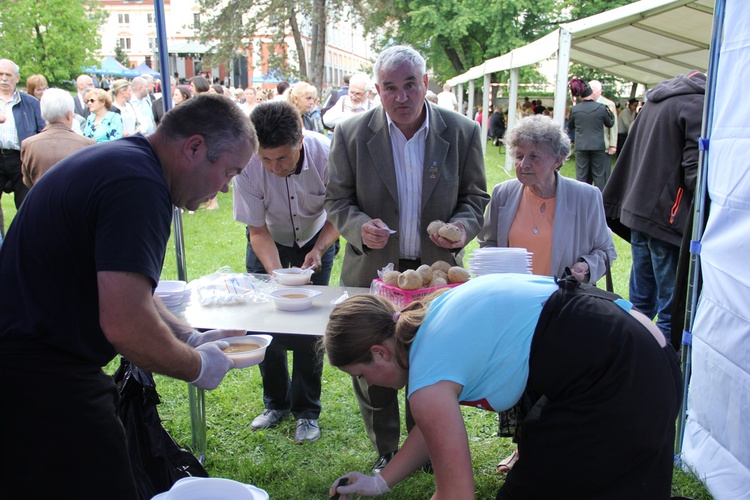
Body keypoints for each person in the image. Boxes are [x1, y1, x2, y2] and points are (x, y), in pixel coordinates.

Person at [0, 94, 257, 498]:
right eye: (229, 172)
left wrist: (188, 337)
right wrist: (197, 366)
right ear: (194, 147)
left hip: (34, 363)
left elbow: (130, 290)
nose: (225, 189)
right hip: (39, 375)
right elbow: (125, 324)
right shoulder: (139, 185)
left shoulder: (127, 162)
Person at [324, 273, 682, 499]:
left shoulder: (428, 378)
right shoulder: (429, 322)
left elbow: (456, 494)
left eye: (359, 374)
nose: (366, 383)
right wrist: (380, 482)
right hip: (647, 352)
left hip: (619, 372)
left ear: (379, 353)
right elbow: (433, 432)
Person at [325, 44, 490, 473]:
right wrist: (359, 227)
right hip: (373, 271)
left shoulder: (461, 132)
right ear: (377, 90)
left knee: (430, 358)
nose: (401, 97)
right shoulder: (351, 133)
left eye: (410, 85)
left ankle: (429, 444)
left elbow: (475, 197)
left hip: (437, 276)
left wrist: (461, 228)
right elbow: (337, 200)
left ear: (426, 83)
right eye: (391, 88)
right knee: (372, 359)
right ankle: (386, 448)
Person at [478, 113, 617, 474]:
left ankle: (553, 450)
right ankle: (523, 448)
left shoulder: (586, 197)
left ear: (558, 159)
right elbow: (490, 242)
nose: (523, 164)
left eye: (534, 156)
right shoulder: (504, 193)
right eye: (518, 154)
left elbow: (606, 250)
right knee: (521, 377)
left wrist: (586, 267)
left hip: (563, 305)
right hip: (516, 303)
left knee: (558, 378)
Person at [233, 100, 339, 444]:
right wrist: (279, 277)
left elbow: (339, 213)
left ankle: (307, 411)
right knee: (266, 324)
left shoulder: (328, 156)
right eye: (267, 159)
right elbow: (257, 231)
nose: (274, 167)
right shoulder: (247, 164)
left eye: (283, 158)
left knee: (310, 329)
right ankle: (275, 403)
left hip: (316, 238)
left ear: (301, 142)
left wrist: (318, 250)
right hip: (268, 243)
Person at [603, 70, 705, 340]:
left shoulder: (657, 99)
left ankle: (633, 357)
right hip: (665, 216)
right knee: (672, 310)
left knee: (640, 304)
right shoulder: (697, 104)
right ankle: (664, 368)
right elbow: (696, 170)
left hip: (640, 209)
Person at [0, 58, 45, 237]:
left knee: (27, 205)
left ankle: (24, 245)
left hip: (21, 159)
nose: (4, 79)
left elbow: (42, 130)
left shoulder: (31, 103)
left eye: (8, 75)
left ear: (17, 78)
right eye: (0, 74)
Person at [20, 88, 95, 187]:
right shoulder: (87, 144)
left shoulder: (29, 144)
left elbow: (27, 180)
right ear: (69, 115)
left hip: (41, 198)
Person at [567, 77, 614, 191]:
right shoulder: (602, 108)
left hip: (581, 146)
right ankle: (599, 199)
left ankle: (581, 198)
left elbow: (570, 125)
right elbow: (610, 123)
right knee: (599, 176)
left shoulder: (575, 109)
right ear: (591, 94)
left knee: (582, 176)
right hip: (598, 146)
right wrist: (611, 114)